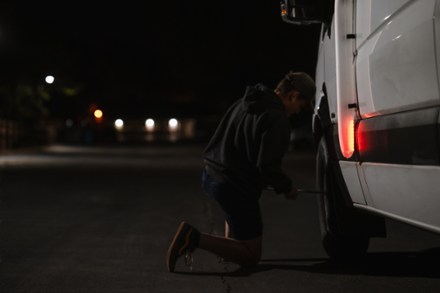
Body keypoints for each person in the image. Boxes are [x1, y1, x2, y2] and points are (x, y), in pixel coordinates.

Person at [166, 71, 316, 272]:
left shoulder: (247, 101)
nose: (298, 112)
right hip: (234, 185)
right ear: (294, 96)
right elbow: (267, 166)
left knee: (235, 238)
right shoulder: (277, 118)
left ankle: (228, 249)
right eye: (301, 106)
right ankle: (192, 238)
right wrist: (287, 188)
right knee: (251, 256)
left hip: (212, 174)